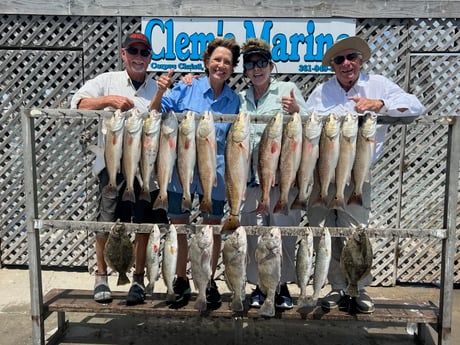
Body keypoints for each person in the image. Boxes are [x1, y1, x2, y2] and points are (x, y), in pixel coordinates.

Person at [305, 36, 425, 313]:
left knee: (356, 235)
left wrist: (379, 104)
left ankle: (357, 288)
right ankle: (335, 288)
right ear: (332, 66)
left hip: (358, 177)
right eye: (339, 60)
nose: (346, 64)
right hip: (323, 176)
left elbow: (416, 106)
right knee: (325, 234)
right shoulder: (321, 92)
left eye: (351, 58)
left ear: (360, 60)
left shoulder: (379, 84)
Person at [71, 32, 169, 306]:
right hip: (113, 167)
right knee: (106, 221)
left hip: (144, 169)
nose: (139, 57)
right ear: (124, 54)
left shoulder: (157, 88)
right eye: (133, 51)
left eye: (144, 52)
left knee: (142, 224)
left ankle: (137, 279)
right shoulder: (106, 81)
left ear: (150, 58)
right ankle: (101, 275)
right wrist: (108, 101)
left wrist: (182, 83)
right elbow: (76, 104)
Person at [149, 37, 241, 308]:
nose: (221, 65)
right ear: (207, 62)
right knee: (179, 228)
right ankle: (180, 280)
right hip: (183, 172)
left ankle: (208, 280)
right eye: (217, 60)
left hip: (216, 174)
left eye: (227, 62)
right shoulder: (186, 87)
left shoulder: (234, 100)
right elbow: (156, 112)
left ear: (232, 67)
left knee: (211, 232)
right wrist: (160, 91)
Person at [237, 38, 309, 310]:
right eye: (251, 64)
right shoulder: (240, 99)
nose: (257, 69)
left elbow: (312, 123)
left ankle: (281, 285)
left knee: (283, 233)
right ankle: (258, 285)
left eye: (262, 63)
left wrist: (297, 111)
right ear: (245, 71)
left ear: (271, 65)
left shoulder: (288, 90)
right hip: (251, 181)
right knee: (255, 233)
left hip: (282, 179)